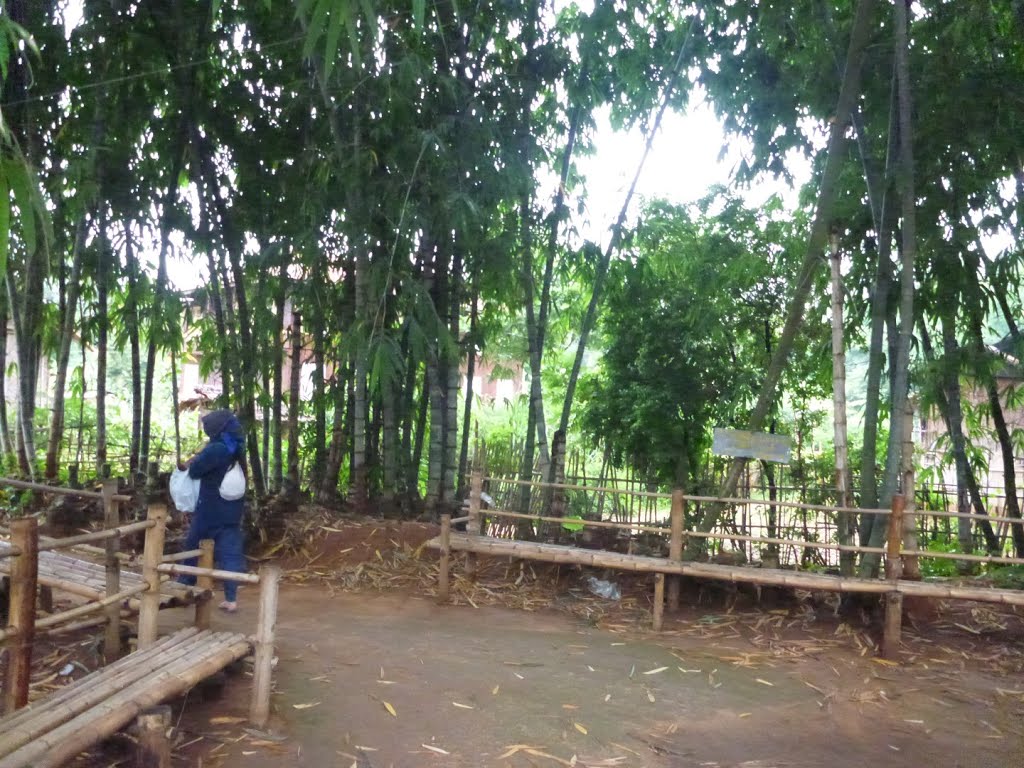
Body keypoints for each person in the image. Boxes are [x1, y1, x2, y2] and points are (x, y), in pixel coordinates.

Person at [178, 409, 247, 612]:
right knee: (230, 554)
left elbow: (196, 471)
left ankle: (183, 588)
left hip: (211, 508)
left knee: (193, 546)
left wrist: (193, 461)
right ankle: (231, 599)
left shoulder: (216, 448)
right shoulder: (236, 446)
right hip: (233, 510)